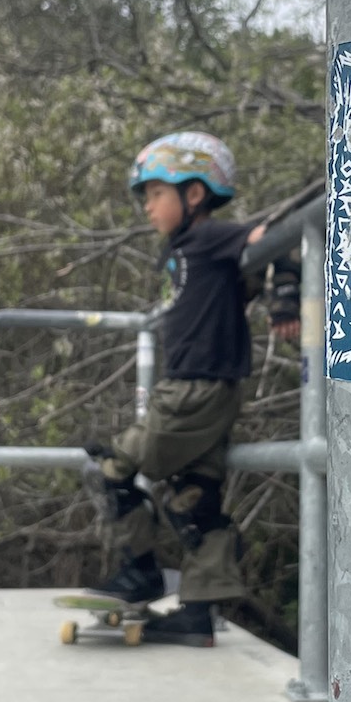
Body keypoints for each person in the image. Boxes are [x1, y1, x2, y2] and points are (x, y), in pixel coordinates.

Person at [83, 130, 299, 645]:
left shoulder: (207, 238)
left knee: (113, 468)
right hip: (199, 390)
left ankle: (141, 572)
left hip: (195, 390)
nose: (148, 208)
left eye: (156, 194)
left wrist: (285, 298)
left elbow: (276, 240)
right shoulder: (182, 250)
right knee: (192, 501)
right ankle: (198, 612)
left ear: (194, 194)